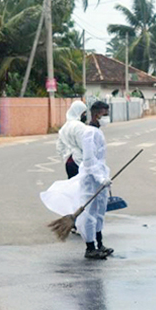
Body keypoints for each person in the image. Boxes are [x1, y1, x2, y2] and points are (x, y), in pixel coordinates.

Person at [41, 101, 112, 260]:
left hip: (94, 174)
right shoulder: (87, 132)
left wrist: (104, 175)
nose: (107, 118)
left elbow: (61, 148)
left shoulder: (91, 130)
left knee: (99, 212)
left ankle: (100, 244)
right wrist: (100, 177)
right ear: (96, 114)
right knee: (89, 213)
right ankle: (90, 247)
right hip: (89, 176)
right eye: (105, 114)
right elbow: (89, 159)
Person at [56, 101, 88, 178]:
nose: (85, 115)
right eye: (83, 113)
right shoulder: (80, 126)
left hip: (68, 161)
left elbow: (59, 147)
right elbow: (85, 145)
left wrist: (66, 155)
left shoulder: (64, 127)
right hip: (79, 161)